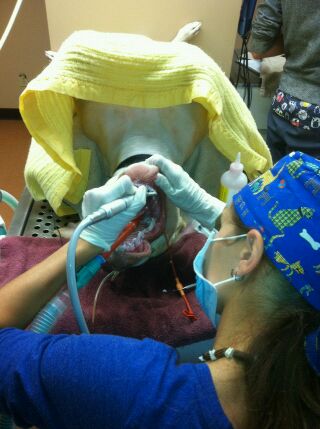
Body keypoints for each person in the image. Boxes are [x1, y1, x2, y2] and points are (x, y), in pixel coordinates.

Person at [0, 151, 319, 428]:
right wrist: (221, 217)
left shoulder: (134, 388)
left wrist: (88, 242)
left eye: (221, 226)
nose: (214, 234)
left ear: (248, 254)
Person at [250, 0, 320, 161]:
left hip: (285, 103)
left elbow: (258, 48)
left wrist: (300, 40)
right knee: (307, 186)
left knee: (274, 181)